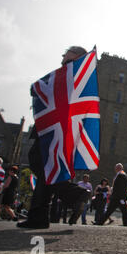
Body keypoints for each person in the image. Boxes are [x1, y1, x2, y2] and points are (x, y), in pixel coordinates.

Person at [17, 46, 92, 229]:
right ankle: (41, 214)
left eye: (69, 61)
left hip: (56, 129)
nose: (64, 65)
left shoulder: (74, 79)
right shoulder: (64, 77)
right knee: (45, 169)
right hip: (51, 127)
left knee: (40, 163)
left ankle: (71, 195)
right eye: (63, 61)